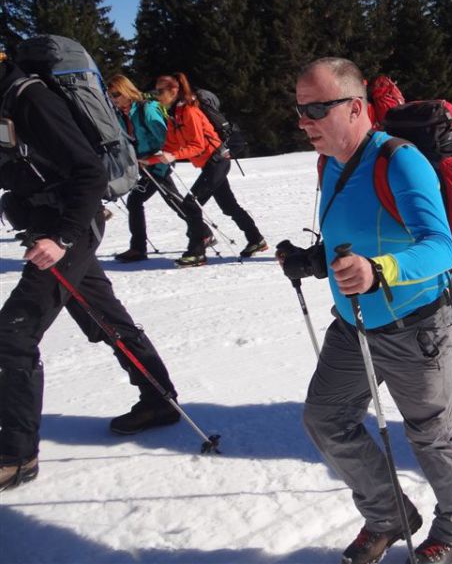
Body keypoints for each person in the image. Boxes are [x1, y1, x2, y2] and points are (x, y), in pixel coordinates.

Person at [275, 58, 452, 564]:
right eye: (300, 110)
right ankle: (389, 515)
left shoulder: (399, 161)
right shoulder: (330, 164)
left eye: (317, 108)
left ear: (355, 106)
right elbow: (352, 240)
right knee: (325, 419)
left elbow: (441, 248)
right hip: (355, 325)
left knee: (431, 434)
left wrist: (379, 270)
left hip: (417, 326)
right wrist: (314, 260)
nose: (305, 120)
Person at [0, 52, 180, 492]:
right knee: (102, 314)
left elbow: (89, 171)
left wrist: (61, 237)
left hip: (69, 227)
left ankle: (16, 456)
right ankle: (158, 399)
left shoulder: (30, 98)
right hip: (50, 224)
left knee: (12, 335)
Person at [150, 73, 266, 266]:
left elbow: (197, 145)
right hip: (209, 164)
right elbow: (170, 146)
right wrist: (149, 160)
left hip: (217, 160)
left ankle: (197, 252)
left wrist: (174, 156)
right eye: (155, 91)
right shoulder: (173, 115)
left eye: (160, 91)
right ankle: (256, 239)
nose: (157, 95)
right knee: (228, 206)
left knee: (190, 204)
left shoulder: (189, 111)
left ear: (174, 91)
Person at [106, 74, 185, 262]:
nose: (113, 99)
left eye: (116, 94)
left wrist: (155, 158)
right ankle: (203, 233)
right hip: (143, 162)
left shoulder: (146, 109)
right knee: (166, 198)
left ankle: (139, 248)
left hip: (158, 160)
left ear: (126, 91)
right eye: (110, 96)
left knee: (166, 198)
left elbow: (165, 137)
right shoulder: (120, 114)